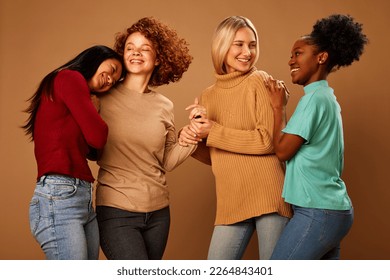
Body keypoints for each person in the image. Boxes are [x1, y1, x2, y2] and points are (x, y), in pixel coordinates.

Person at [179, 16, 292, 260]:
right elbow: (216, 157)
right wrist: (191, 140)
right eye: (238, 44)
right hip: (231, 200)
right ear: (222, 46)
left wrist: (213, 131)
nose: (247, 52)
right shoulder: (208, 95)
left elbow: (267, 141)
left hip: (268, 194)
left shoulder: (260, 81)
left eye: (252, 45)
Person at [265, 14, 368, 260]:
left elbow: (282, 151)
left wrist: (278, 107)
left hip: (317, 212)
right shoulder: (326, 98)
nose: (291, 60)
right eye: (291, 55)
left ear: (321, 58)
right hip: (333, 212)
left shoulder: (313, 100)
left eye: (298, 53)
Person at [95, 17, 196, 260]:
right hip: (116, 210)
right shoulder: (102, 96)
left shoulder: (164, 106)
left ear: (159, 58)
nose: (135, 53)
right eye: (130, 48)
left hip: (159, 214)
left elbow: (168, 161)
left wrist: (193, 135)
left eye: (144, 48)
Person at [23, 45, 124, 260]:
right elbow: (98, 136)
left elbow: (95, 152)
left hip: (82, 196)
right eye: (113, 70)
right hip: (59, 197)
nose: (110, 80)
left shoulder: (75, 95)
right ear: (97, 57)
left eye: (114, 82)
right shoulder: (69, 78)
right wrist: (96, 110)